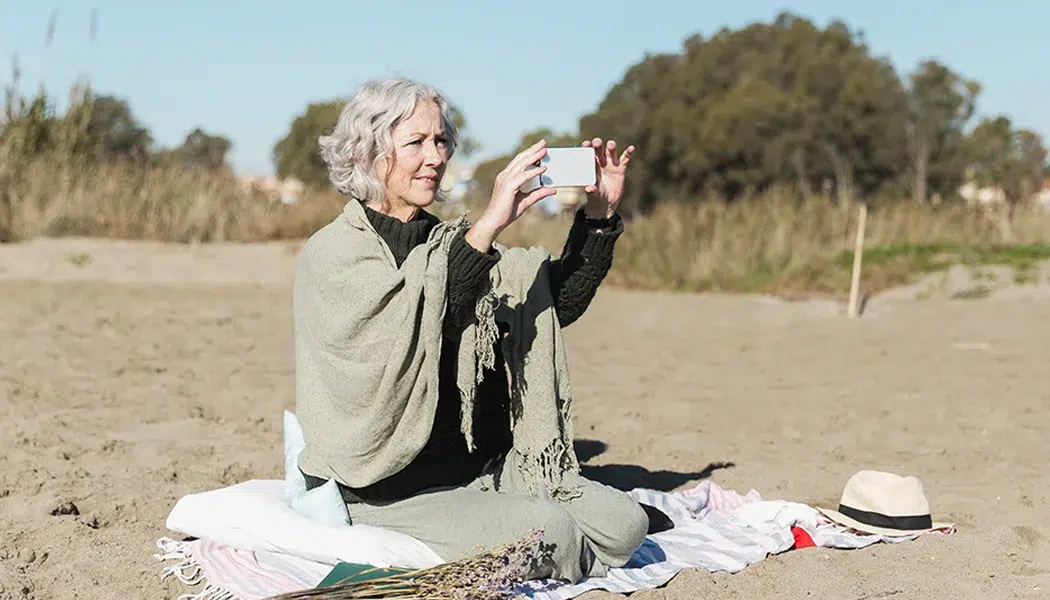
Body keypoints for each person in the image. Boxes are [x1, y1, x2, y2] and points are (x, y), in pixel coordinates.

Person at [292, 77, 653, 584]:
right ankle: (544, 536)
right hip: (384, 486)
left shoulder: (446, 245)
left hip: (478, 471)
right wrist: (485, 227)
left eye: (440, 141)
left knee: (626, 524)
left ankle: (532, 525)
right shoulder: (334, 253)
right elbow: (428, 314)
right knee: (553, 531)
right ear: (367, 152)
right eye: (415, 142)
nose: (435, 156)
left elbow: (554, 304)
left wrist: (598, 217)